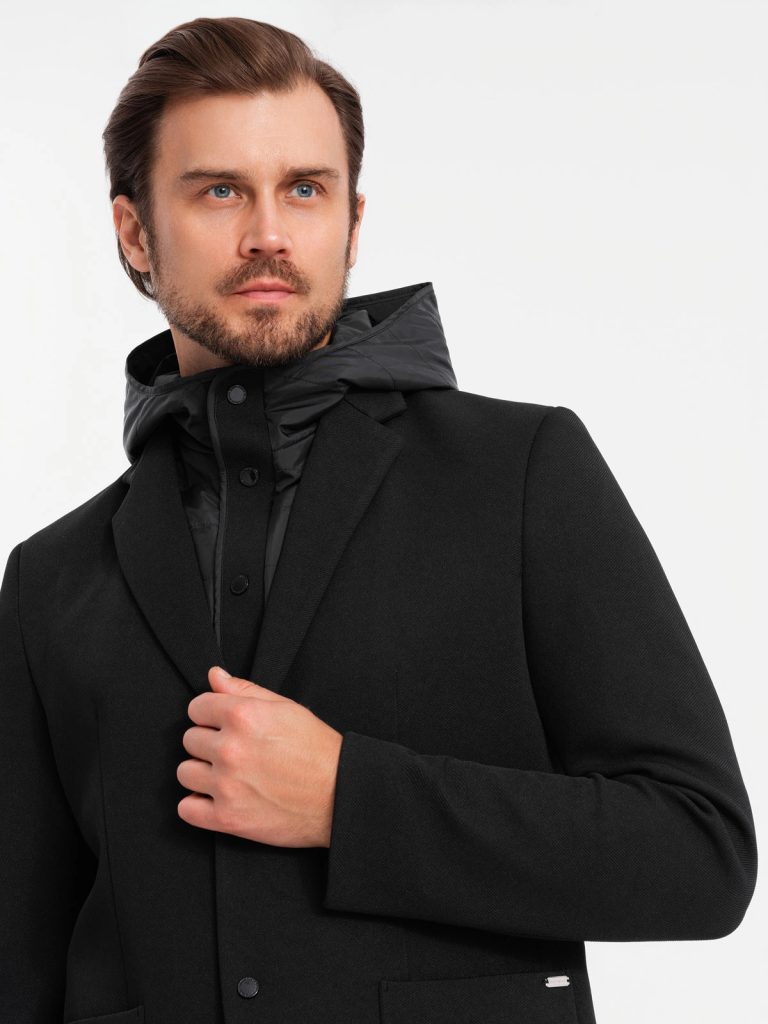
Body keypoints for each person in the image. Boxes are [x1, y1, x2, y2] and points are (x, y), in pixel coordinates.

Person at [0, 15, 756, 1024]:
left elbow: (699, 851)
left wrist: (348, 798)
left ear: (352, 224)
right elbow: (22, 962)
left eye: (304, 190)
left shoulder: (522, 473)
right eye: (219, 190)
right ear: (136, 233)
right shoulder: (51, 577)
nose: (269, 233)